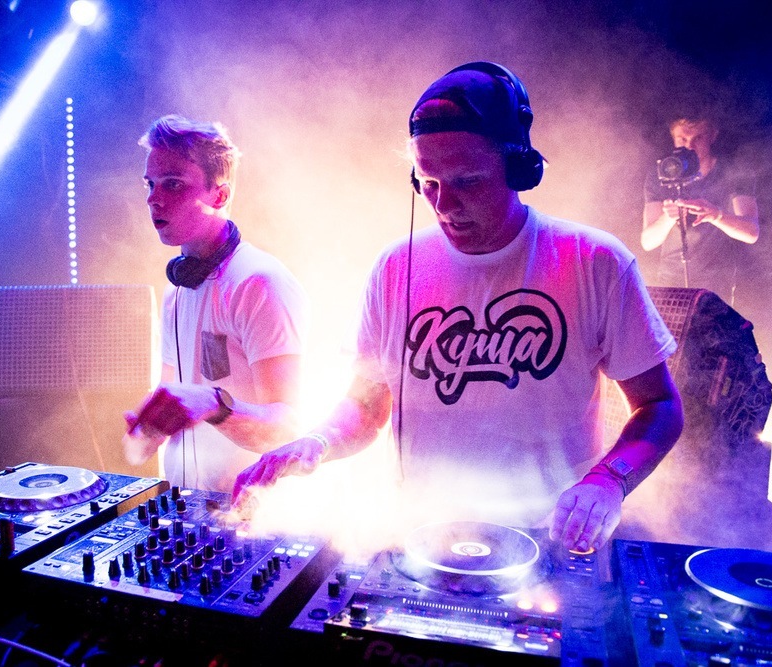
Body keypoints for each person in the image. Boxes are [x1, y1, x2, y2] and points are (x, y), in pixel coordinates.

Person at [234, 63, 683, 553]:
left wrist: (608, 480)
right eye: (428, 182)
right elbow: (366, 408)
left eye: (467, 181)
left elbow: (659, 407)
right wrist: (318, 442)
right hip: (417, 537)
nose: (444, 204)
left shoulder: (594, 262)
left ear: (518, 168)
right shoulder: (395, 267)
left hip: (547, 539)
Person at [125, 114, 310, 493]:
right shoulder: (176, 289)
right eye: (150, 184)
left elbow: (289, 428)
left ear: (220, 195)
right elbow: (173, 396)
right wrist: (149, 429)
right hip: (183, 503)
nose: (153, 198)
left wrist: (215, 405)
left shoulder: (260, 283)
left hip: (250, 512)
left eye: (173, 184)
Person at [641, 116, 759, 305]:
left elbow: (751, 233)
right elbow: (648, 242)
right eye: (682, 139)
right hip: (670, 287)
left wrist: (716, 215)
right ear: (673, 138)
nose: (690, 146)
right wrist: (669, 217)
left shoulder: (732, 172)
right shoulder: (660, 175)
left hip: (716, 288)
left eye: (698, 138)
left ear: (713, 136)